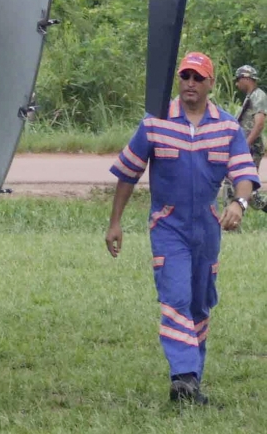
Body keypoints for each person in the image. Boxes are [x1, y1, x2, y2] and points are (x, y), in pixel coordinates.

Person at [105, 52, 260, 405]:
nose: (190, 83)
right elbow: (128, 173)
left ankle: (191, 385)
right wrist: (115, 222)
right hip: (168, 227)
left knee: (200, 305)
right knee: (175, 299)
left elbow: (244, 174)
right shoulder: (155, 122)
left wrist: (239, 203)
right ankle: (184, 376)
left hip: (207, 229)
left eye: (198, 78)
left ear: (211, 83)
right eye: (185, 76)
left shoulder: (227, 128)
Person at [234, 65, 266, 209]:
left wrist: (246, 144)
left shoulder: (258, 95)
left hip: (251, 147)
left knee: (247, 184)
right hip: (246, 146)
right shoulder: (250, 97)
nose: (237, 84)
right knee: (243, 184)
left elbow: (259, 124)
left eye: (238, 79)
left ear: (246, 78)